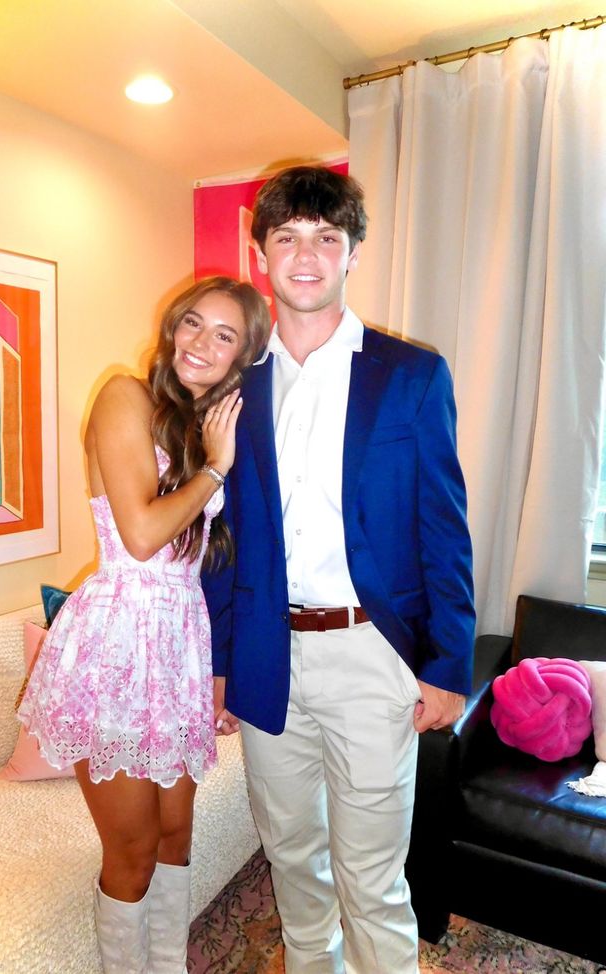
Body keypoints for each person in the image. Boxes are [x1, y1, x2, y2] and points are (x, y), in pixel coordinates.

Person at [202, 166, 476, 974]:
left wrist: (447, 665)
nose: (307, 254)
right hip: (266, 656)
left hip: (371, 655)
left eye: (327, 236)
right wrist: (219, 666)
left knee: (372, 876)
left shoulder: (411, 375)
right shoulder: (235, 384)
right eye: (286, 237)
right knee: (292, 860)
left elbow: (445, 532)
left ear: (354, 250)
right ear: (261, 256)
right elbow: (224, 543)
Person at [17, 276, 271, 974]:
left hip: (178, 645)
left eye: (225, 336)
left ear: (241, 359)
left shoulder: (199, 427)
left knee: (176, 836)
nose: (201, 343)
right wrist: (215, 471)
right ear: (170, 329)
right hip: (119, 643)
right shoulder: (124, 396)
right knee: (129, 857)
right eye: (193, 323)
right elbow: (140, 535)